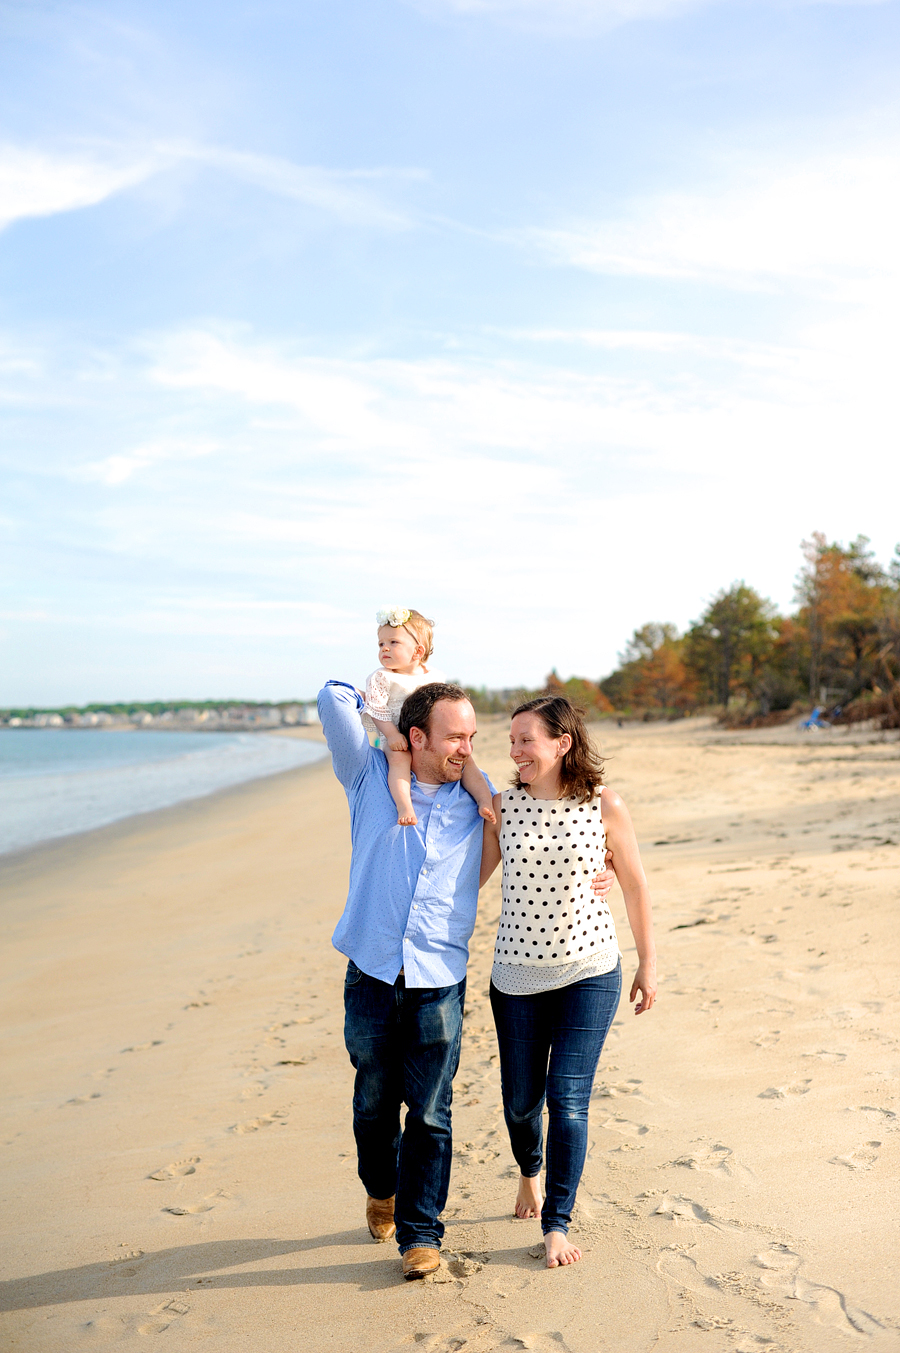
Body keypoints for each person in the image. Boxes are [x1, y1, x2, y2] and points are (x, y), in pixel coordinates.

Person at [318, 676, 617, 1280]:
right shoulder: (370, 779)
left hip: (439, 975)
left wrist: (601, 870)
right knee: (375, 1100)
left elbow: (558, 837)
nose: (467, 749)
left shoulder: (479, 804)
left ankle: (421, 1235)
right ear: (416, 737)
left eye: (474, 737)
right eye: (455, 737)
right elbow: (332, 696)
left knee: (430, 1111)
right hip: (372, 969)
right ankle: (381, 1186)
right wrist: (397, 692)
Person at [480, 696, 657, 1269]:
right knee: (520, 1103)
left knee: (568, 1100)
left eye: (526, 739)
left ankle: (556, 1223)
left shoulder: (604, 804)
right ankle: (529, 1173)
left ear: (563, 743)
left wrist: (647, 963)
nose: (514, 750)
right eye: (511, 741)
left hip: (589, 969)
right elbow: (466, 885)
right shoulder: (503, 807)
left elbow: (633, 885)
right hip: (515, 975)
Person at [361, 606, 495, 827]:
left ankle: (484, 800)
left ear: (417, 651)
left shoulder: (433, 676)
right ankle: (404, 805)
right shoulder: (381, 678)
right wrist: (392, 735)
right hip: (398, 736)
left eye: (393, 642)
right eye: (381, 644)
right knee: (399, 761)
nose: (385, 648)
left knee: (468, 762)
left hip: (429, 735)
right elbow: (377, 709)